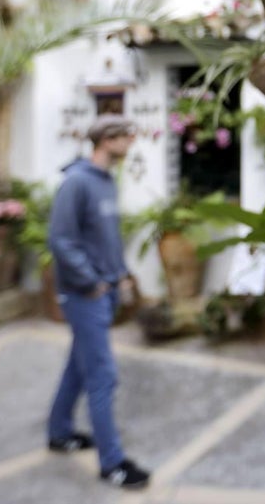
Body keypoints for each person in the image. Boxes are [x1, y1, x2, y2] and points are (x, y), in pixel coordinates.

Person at [45, 113, 150, 490]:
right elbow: (61, 241)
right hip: (83, 294)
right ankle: (113, 464)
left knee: (79, 366)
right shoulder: (76, 183)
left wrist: (120, 275)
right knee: (102, 375)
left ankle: (59, 432)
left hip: (103, 291)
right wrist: (91, 283)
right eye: (126, 136)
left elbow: (107, 237)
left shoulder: (107, 182)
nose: (131, 142)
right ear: (107, 139)